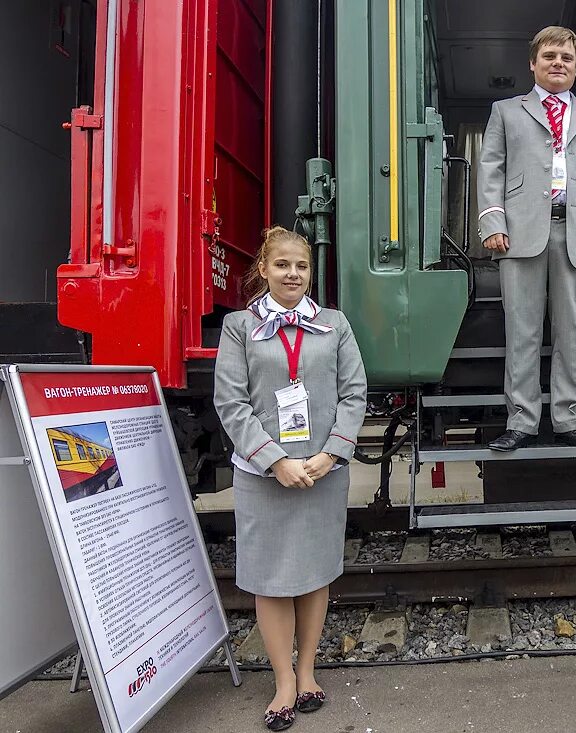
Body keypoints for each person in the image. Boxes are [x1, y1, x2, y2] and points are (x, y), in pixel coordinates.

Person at [214, 226, 367, 731]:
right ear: (264, 268)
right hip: (264, 476)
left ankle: (307, 672)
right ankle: (282, 681)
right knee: (272, 580)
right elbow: (231, 403)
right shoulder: (240, 327)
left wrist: (331, 454)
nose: (292, 274)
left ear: (310, 272)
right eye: (282, 265)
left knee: (315, 574)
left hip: (324, 473)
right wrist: (275, 460)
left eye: (301, 266)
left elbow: (354, 394)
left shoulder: (334, 325)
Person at [476, 25, 576, 451]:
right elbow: (491, 168)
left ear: (575, 68)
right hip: (520, 232)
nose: (559, 63)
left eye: (567, 58)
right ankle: (520, 420)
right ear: (533, 63)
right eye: (550, 56)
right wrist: (493, 223)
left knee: (571, 330)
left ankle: (567, 418)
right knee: (522, 330)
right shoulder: (506, 110)